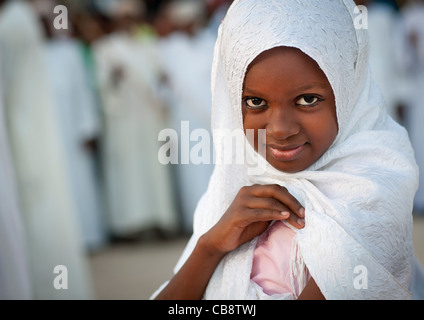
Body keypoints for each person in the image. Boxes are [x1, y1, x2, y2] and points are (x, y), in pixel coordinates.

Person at [152, 0, 422, 300]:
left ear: (350, 92)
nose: (280, 130)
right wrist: (210, 246)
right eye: (255, 102)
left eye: (307, 100)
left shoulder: (369, 199)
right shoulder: (232, 187)